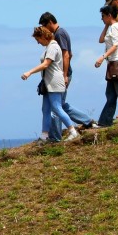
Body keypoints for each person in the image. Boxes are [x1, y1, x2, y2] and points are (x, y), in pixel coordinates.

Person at [38, 12, 95, 140]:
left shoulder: (59, 34)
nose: (44, 30)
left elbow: (66, 55)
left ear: (50, 23)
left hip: (62, 74)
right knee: (59, 105)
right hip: (62, 72)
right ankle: (86, 121)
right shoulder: (60, 33)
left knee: (56, 107)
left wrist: (64, 74)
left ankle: (56, 136)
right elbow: (69, 54)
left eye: (44, 26)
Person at [21, 27, 80, 142]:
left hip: (54, 81)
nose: (38, 42)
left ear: (43, 37)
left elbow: (45, 64)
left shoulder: (53, 47)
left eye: (38, 39)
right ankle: (44, 135)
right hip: (48, 82)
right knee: (45, 109)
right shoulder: (49, 47)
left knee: (57, 108)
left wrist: (29, 72)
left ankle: (73, 131)